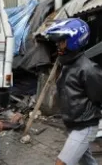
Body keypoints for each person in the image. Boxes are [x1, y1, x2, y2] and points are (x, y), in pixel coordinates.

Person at [43, 18, 102, 165]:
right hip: (72, 124)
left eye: (61, 41)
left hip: (85, 125)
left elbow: (99, 97)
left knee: (61, 163)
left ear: (74, 41)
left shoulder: (88, 69)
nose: (58, 45)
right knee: (86, 161)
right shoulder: (68, 66)